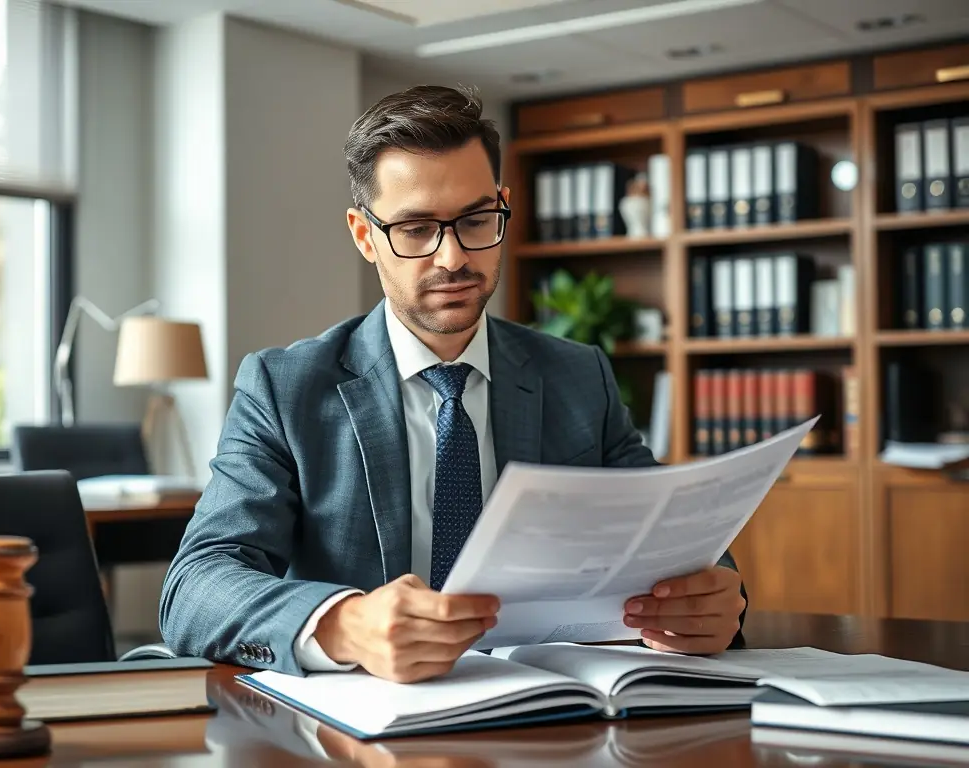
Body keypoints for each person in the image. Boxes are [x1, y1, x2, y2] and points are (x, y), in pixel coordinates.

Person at [159, 84, 747, 683]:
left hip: (548, 711)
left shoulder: (577, 376)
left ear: (503, 205)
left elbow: (668, 529)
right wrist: (344, 624)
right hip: (361, 726)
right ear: (364, 235)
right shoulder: (285, 389)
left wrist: (714, 596)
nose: (452, 257)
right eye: (415, 229)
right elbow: (196, 585)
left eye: (475, 219)